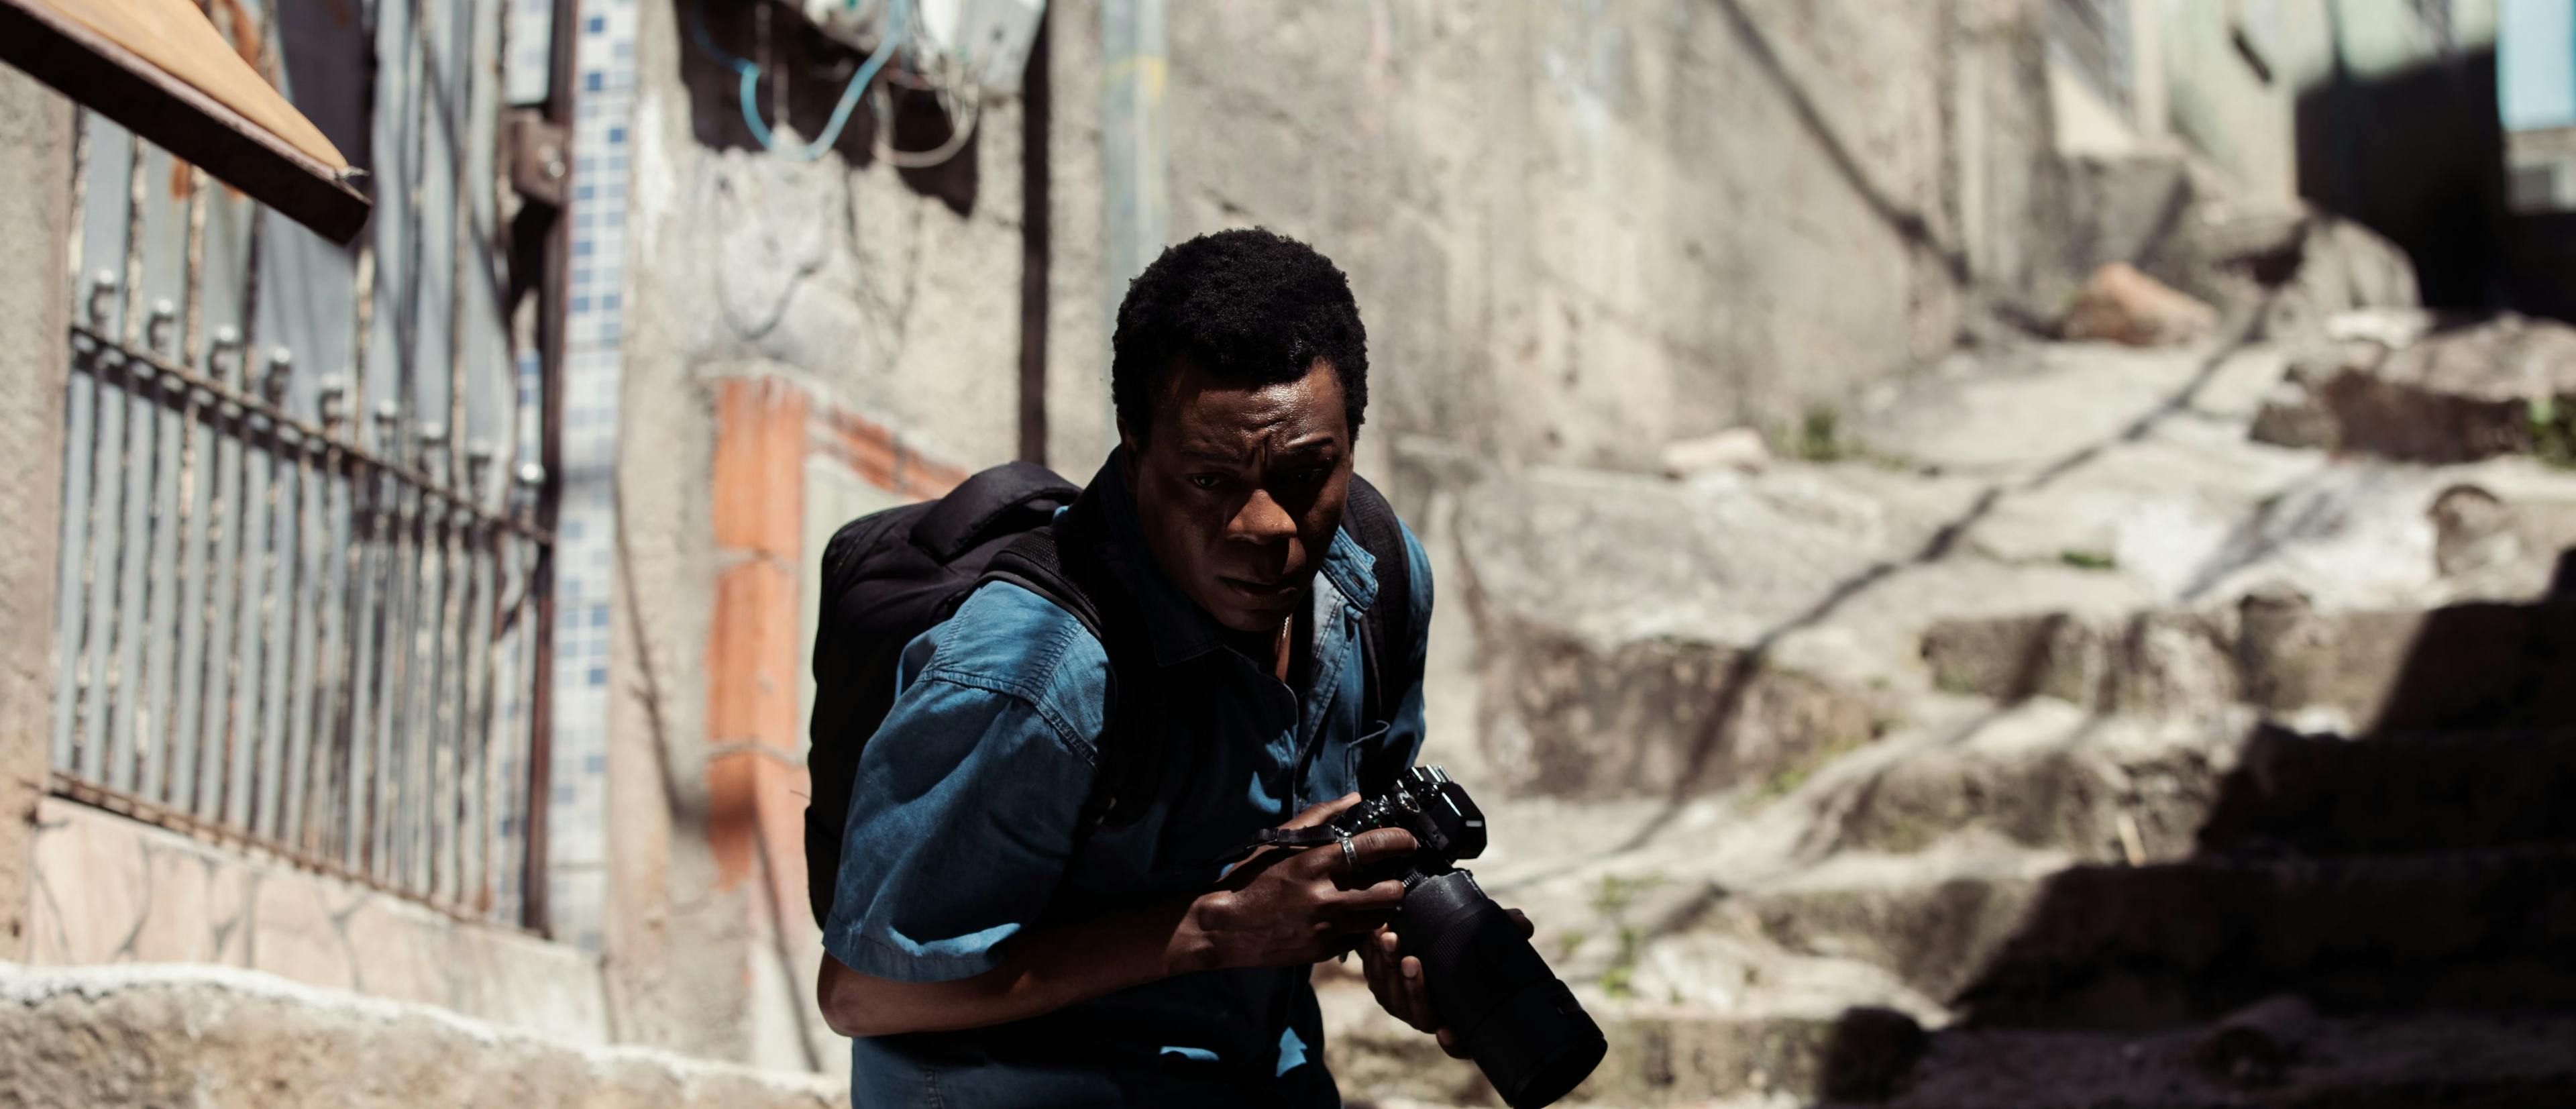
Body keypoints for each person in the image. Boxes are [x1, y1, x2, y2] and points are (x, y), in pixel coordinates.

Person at [812, 227, 1522, 1105]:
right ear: (1136, 445)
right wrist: (1214, 929)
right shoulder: (1031, 676)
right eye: (1211, 479)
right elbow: (861, 991)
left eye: (1305, 473)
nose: (1266, 527)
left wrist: (1393, 930)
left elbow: (1361, 821)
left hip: (1255, 1068)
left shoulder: (1376, 576)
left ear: (1352, 441)